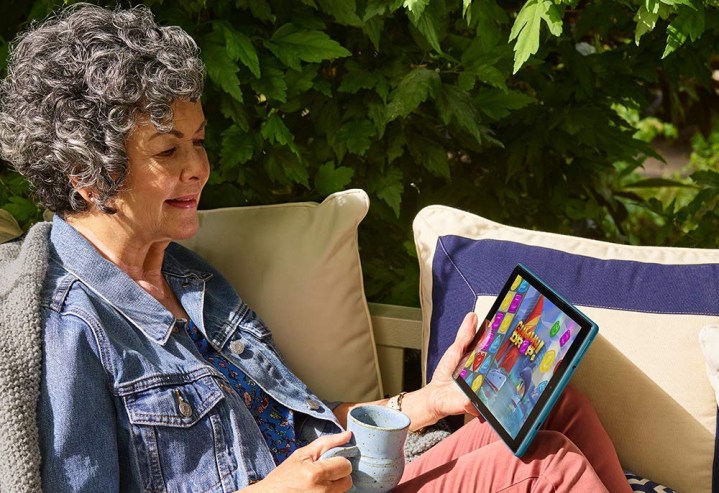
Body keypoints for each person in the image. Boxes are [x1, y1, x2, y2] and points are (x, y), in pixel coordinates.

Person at [0, 4, 632, 492]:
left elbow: (299, 424)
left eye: (199, 141)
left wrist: (425, 403)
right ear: (87, 171)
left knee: (555, 405)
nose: (199, 167)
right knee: (539, 467)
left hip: (343, 477)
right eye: (169, 151)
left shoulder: (190, 281)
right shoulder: (65, 334)